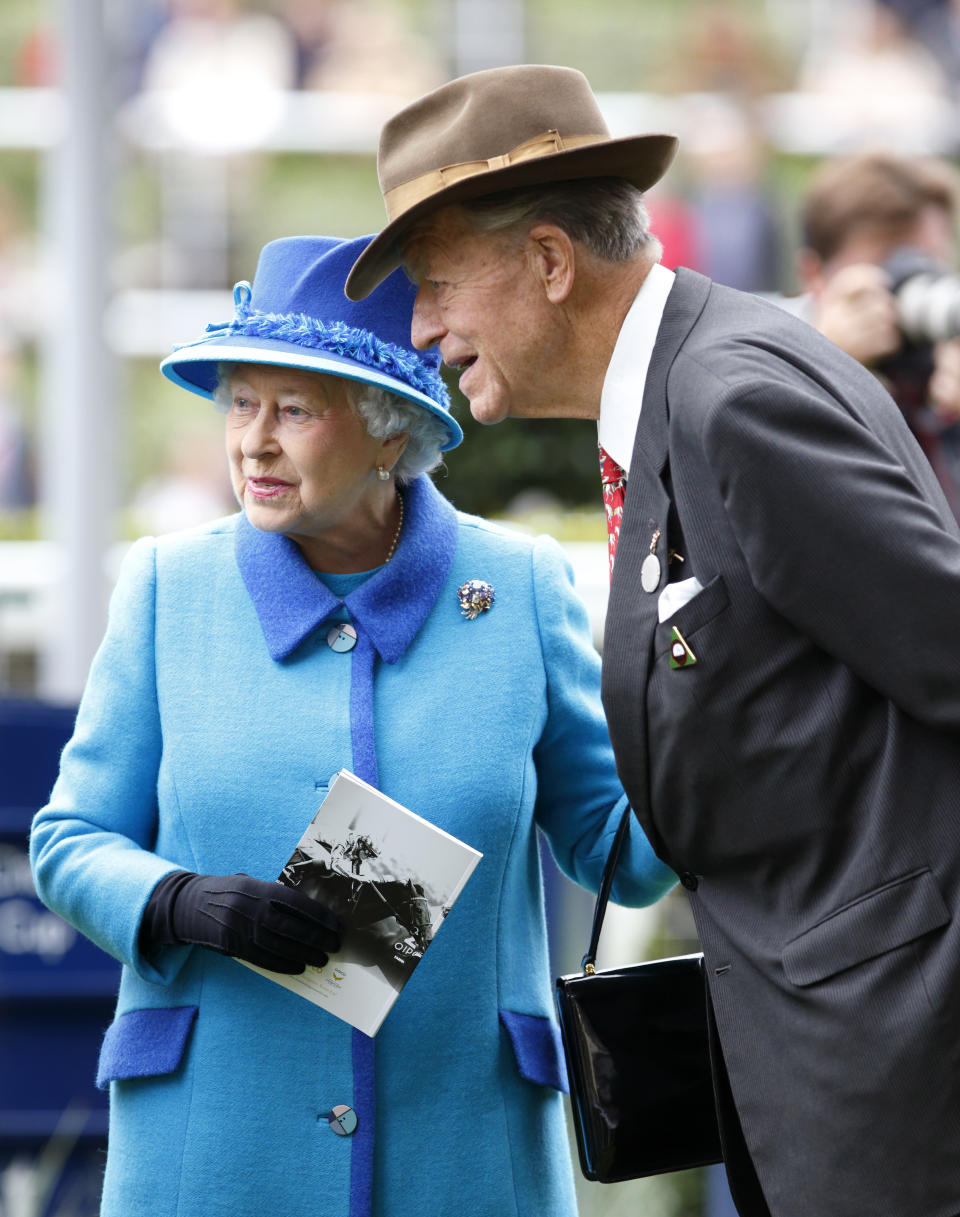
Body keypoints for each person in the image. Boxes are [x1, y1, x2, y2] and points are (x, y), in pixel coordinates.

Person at [345, 64, 960, 1217]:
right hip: (820, 1063)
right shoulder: (687, 391)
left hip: (890, 1074)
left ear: (547, 261)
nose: (422, 329)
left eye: (435, 285)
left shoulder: (730, 395)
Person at [29, 234, 675, 1217]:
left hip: (461, 1149)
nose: (253, 439)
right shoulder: (171, 588)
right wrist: (179, 900)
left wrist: (714, 713)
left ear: (390, 429)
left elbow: (621, 851)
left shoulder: (519, 587)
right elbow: (67, 840)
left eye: (295, 408)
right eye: (241, 402)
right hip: (214, 1147)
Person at [791, 151, 960, 519]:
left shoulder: (944, 368)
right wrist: (826, 373)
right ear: (815, 275)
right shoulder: (767, 376)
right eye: (891, 264)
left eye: (929, 263)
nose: (915, 281)